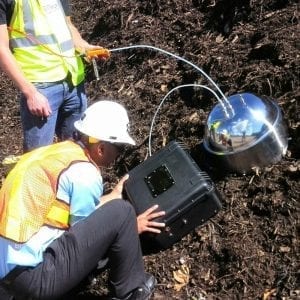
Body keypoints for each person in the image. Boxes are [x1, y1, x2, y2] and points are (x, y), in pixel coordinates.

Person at [0, 100, 166, 300]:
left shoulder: (58, 154)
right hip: (34, 281)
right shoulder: (85, 173)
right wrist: (131, 227)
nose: (119, 155)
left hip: (9, 274)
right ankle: (131, 292)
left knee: (116, 210)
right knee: (123, 213)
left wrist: (112, 196)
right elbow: (85, 237)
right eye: (119, 148)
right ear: (101, 148)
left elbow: (64, 212)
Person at [0, 0, 105, 152]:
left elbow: (67, 26)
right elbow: (2, 49)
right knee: (38, 157)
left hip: (74, 82)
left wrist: (84, 46)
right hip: (41, 87)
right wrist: (30, 93)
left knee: (77, 151)